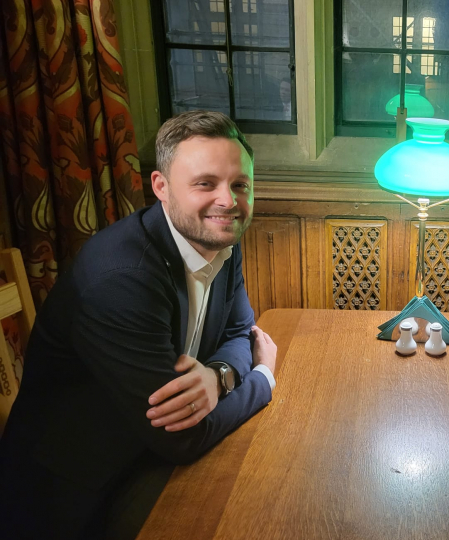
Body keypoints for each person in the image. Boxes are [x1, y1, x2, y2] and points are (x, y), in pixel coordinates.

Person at [0, 111, 278, 539]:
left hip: (148, 456)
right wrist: (261, 379)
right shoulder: (121, 279)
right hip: (76, 492)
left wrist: (218, 376)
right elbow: (182, 438)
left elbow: (240, 330)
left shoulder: (221, 237)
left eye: (240, 185)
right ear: (161, 188)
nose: (228, 200)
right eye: (205, 183)